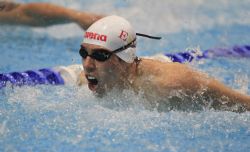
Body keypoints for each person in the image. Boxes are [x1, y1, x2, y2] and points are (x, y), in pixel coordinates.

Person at [1, 1, 250, 112]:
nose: (87, 64)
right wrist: (77, 17)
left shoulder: (171, 83)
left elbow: (242, 104)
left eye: (99, 56)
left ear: (125, 59)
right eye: (83, 53)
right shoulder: (86, 79)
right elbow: (14, 9)